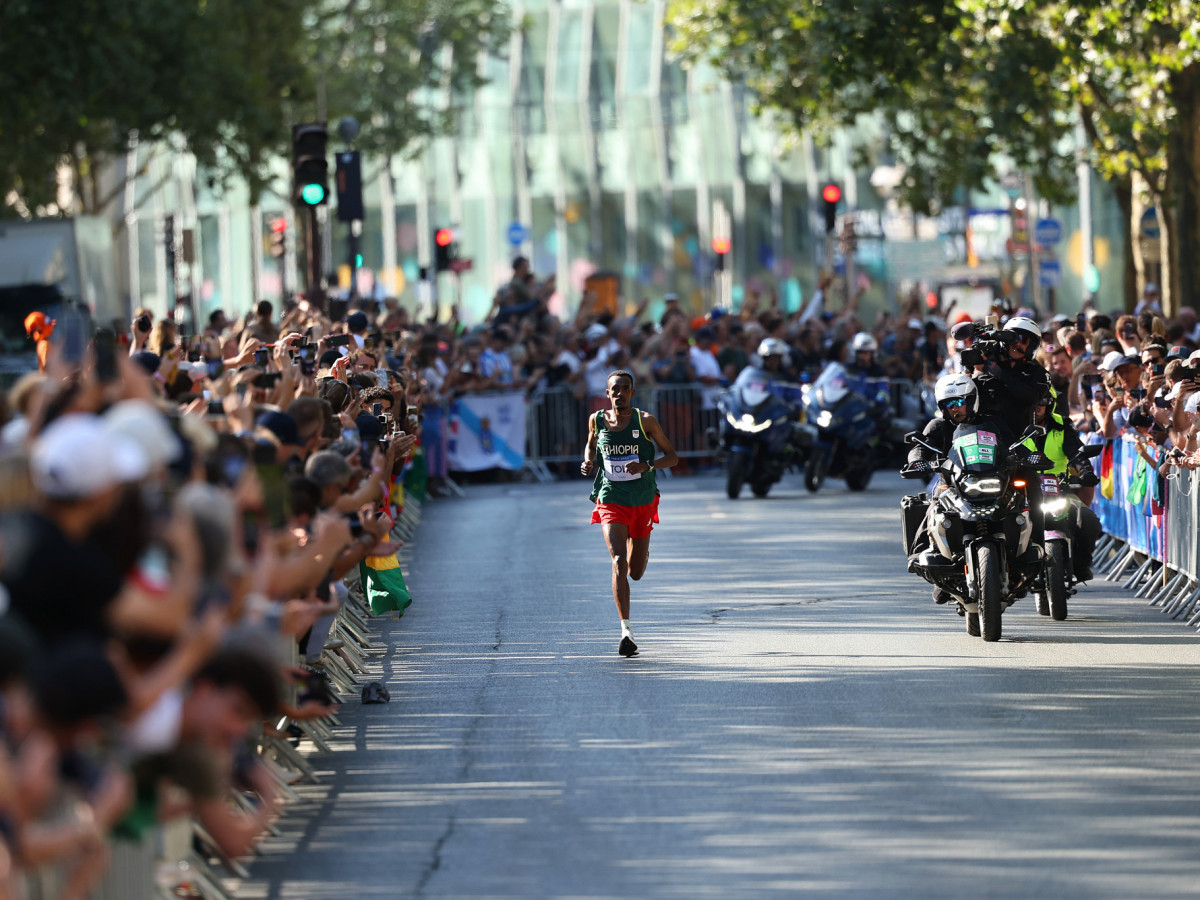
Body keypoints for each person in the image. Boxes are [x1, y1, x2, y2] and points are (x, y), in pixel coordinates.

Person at [581, 370, 678, 657]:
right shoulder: (597, 420)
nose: (619, 393)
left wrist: (647, 465)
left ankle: (643, 548)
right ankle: (626, 630)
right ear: (607, 393)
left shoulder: (644, 420)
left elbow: (672, 456)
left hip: (643, 499)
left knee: (635, 571)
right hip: (611, 498)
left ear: (632, 393)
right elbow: (590, 443)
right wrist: (588, 461)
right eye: (615, 389)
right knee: (618, 561)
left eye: (625, 389)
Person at [1022, 392, 1101, 583]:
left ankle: (1081, 564)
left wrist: (1085, 472)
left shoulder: (1062, 424)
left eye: (1042, 402)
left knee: (1089, 520)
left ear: (1049, 404)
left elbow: (1076, 453)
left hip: (1059, 488)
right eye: (1033, 403)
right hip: (1024, 490)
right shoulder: (1015, 425)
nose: (1038, 407)